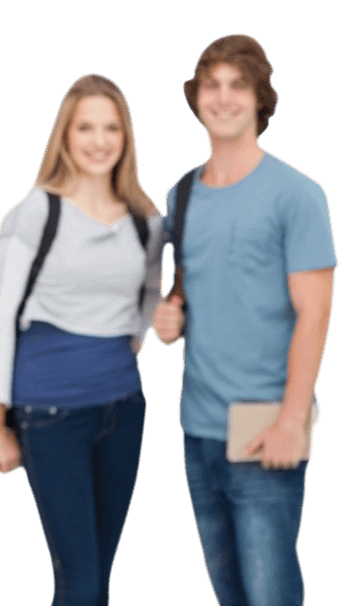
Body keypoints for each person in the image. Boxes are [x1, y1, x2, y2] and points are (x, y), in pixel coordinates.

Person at [153, 33, 335, 606]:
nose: (224, 98)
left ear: (262, 100)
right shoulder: (180, 194)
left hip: (265, 427)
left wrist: (290, 421)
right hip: (199, 428)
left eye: (239, 85)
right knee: (229, 593)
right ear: (195, 97)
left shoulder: (298, 194)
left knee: (270, 593)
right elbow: (191, 279)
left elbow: (316, 314)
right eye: (212, 85)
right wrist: (172, 312)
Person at [0, 73, 162, 606]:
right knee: (78, 580)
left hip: (123, 410)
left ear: (126, 138)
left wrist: (133, 341)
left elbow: (146, 301)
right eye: (85, 127)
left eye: (111, 128)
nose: (99, 140)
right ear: (65, 135)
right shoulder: (34, 213)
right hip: (49, 413)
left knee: (98, 576)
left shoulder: (145, 220)